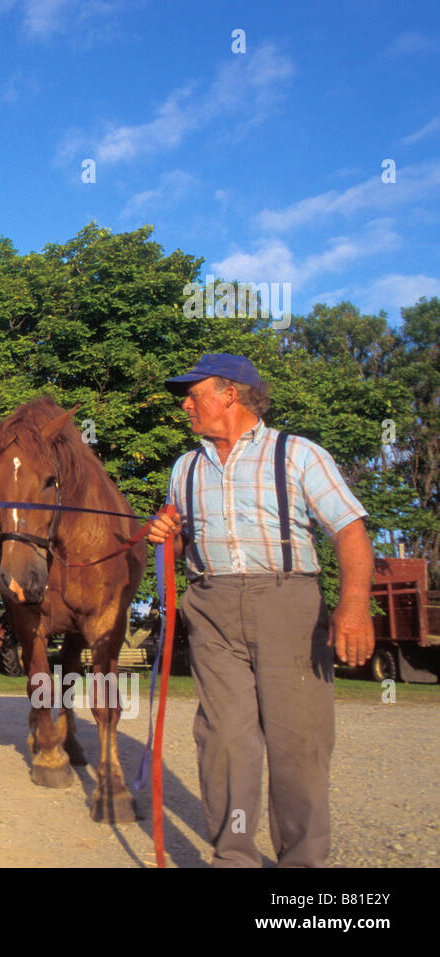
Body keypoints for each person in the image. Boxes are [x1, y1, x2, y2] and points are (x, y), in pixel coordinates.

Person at [147, 353, 375, 867]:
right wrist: (169, 535)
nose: (185, 404)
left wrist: (355, 604)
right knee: (224, 740)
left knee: (298, 742)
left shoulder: (297, 454)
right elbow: (183, 545)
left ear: (230, 394)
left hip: (287, 604)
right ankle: (235, 857)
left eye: (193, 393)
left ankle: (300, 865)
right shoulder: (184, 468)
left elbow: (348, 528)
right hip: (210, 605)